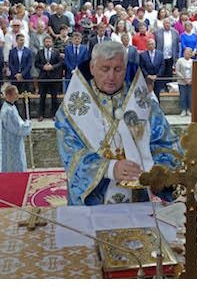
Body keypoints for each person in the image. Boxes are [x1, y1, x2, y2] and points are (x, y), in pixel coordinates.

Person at [56, 41, 181, 205]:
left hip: (136, 197)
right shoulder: (71, 110)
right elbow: (71, 154)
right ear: (93, 68)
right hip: (93, 201)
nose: (111, 77)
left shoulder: (143, 103)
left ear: (125, 68)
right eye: (105, 69)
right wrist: (109, 168)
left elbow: (166, 143)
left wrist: (157, 170)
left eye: (117, 69)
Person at [0, 85, 32, 172]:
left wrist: (24, 123)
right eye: (15, 94)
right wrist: (28, 125)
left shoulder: (11, 107)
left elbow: (18, 122)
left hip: (14, 140)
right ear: (9, 95)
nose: (17, 96)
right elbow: (17, 128)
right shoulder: (8, 111)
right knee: (13, 164)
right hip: (11, 142)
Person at [35, 35, 63, 121]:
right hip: (43, 77)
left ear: (52, 43)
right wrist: (43, 67)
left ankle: (54, 114)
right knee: (42, 97)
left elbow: (60, 63)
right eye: (46, 42)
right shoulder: (40, 52)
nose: (48, 43)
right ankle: (40, 115)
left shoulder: (56, 52)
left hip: (53, 77)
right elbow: (36, 63)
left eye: (49, 41)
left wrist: (52, 67)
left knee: (54, 98)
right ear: (43, 43)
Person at [175, 47, 193, 116]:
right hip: (182, 82)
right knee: (183, 96)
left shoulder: (192, 61)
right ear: (184, 52)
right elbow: (177, 71)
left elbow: (195, 71)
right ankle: (183, 109)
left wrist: (190, 80)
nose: (187, 53)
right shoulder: (180, 60)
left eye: (189, 52)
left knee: (190, 96)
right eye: (186, 52)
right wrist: (184, 79)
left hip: (191, 82)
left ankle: (189, 110)